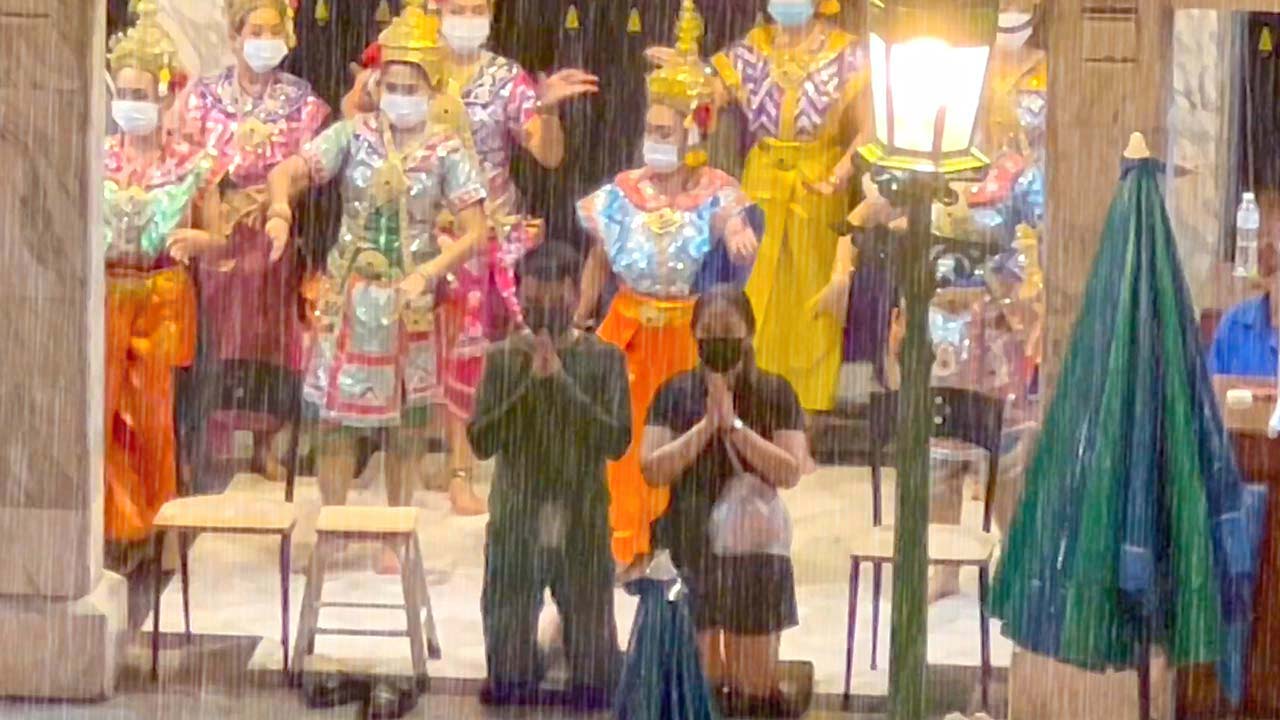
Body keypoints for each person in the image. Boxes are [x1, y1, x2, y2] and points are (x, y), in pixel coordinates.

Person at [343, 0, 600, 514]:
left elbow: (548, 155)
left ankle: (467, 466)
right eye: (456, 6)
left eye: (476, 7)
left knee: (472, 331)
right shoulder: (408, 65)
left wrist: (545, 108)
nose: (466, 16)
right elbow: (353, 121)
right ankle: (403, 468)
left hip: (488, 232)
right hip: (414, 226)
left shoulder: (505, 78)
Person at [265, 0, 489, 574]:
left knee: (407, 425)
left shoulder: (446, 150)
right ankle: (335, 521)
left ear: (432, 87)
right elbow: (289, 170)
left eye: (411, 85)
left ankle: (396, 530)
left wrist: (430, 271)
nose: (399, 94)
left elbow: (475, 230)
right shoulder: (353, 135)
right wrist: (279, 210)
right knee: (333, 421)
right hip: (349, 290)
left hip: (411, 300)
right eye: (391, 83)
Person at [575, 0, 759, 570]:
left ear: (692, 130)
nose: (654, 139)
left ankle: (677, 544)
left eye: (665, 130)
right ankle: (622, 543)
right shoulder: (623, 189)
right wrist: (581, 320)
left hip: (686, 336)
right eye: (650, 129)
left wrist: (734, 233)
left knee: (681, 440)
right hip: (626, 329)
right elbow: (598, 259)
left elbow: (732, 216)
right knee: (624, 446)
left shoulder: (714, 187)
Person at [469, 242, 630, 709]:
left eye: (554, 297)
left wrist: (560, 381)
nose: (543, 310)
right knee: (507, 684)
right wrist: (530, 386)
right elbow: (480, 440)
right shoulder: (503, 359)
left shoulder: (604, 360)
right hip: (517, 520)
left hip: (581, 517)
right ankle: (527, 657)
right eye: (533, 299)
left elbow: (616, 441)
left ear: (574, 293)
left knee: (596, 687)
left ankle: (577, 648)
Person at [178, 0, 330, 487]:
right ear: (234, 35)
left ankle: (268, 442)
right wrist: (222, 196)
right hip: (216, 234)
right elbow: (186, 156)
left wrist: (272, 197)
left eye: (274, 30)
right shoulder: (202, 97)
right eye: (255, 29)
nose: (265, 39)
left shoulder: (303, 101)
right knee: (218, 339)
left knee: (272, 340)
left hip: (273, 235)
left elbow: (311, 164)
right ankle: (213, 443)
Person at [640, 285, 811, 716]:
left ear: (749, 334)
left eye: (728, 330)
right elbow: (652, 467)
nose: (717, 339)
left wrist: (734, 426)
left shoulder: (775, 391)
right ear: (694, 334)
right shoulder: (674, 392)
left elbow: (790, 469)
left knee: (754, 688)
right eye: (708, 330)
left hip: (752, 548)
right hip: (689, 537)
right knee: (699, 683)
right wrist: (705, 427)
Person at [697, 0, 868, 414]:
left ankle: (806, 414)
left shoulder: (850, 54)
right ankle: (749, 404)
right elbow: (706, 105)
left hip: (818, 185)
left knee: (814, 302)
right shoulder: (749, 50)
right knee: (753, 293)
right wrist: (687, 78)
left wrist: (840, 174)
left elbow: (870, 127)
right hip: (762, 181)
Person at [103, 0, 220, 550]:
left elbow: (219, 240)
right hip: (104, 297)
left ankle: (161, 523)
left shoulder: (191, 164)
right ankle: (114, 523)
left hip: (163, 296)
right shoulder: (96, 158)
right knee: (100, 413)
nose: (131, 106)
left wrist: (200, 240)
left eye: (140, 96)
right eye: (123, 96)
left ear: (165, 96)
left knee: (155, 418)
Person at [1209, 190, 1280, 378]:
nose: (1264, 246)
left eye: (1272, 239)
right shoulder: (1234, 325)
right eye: (1261, 236)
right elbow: (1209, 401)